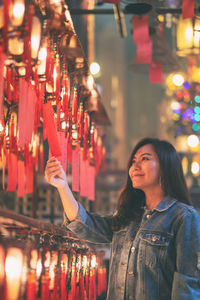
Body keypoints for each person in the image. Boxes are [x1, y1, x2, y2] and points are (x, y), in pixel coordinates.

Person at [45, 137, 200, 300]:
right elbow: (86, 224)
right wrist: (62, 187)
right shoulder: (129, 215)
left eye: (145, 158)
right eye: (133, 161)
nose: (135, 166)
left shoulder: (184, 217)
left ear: (165, 167)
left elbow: (187, 286)